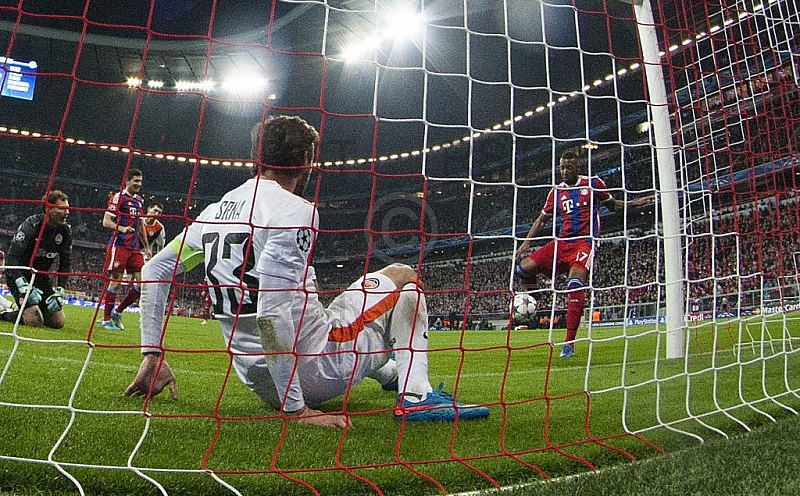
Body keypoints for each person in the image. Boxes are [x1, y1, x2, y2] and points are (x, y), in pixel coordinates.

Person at [124, 115, 489, 427]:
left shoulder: (217, 210)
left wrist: (152, 354)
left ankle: (391, 374)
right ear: (305, 161)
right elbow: (271, 312)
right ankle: (417, 395)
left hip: (259, 381)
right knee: (403, 276)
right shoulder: (295, 210)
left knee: (329, 304)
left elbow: (156, 269)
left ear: (258, 157)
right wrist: (297, 410)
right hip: (313, 373)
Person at [514, 151, 652, 358]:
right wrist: (526, 243)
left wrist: (635, 204)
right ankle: (535, 298)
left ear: (578, 168)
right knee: (523, 268)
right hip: (562, 243)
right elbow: (542, 220)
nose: (565, 171)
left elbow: (613, 206)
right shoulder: (556, 192)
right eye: (562, 167)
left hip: (585, 243)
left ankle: (569, 344)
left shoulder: (594, 184)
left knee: (575, 284)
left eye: (569, 167)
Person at [1, 191, 71, 328]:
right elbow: (11, 258)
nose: (67, 212)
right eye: (62, 209)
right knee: (35, 321)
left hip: (41, 277)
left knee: (58, 322)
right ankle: (5, 313)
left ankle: (33, 309)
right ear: (48, 209)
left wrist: (60, 290)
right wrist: (22, 284)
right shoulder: (31, 225)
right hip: (20, 276)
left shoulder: (65, 231)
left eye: (68, 208)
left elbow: (65, 264)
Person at [100, 168, 151, 330]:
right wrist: (121, 228)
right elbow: (106, 221)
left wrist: (147, 247)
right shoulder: (118, 198)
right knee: (116, 282)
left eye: (140, 181)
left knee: (142, 284)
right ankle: (106, 320)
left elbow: (141, 226)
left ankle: (118, 311)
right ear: (127, 181)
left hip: (135, 248)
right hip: (120, 245)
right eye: (135, 180)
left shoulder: (140, 201)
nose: (138, 184)